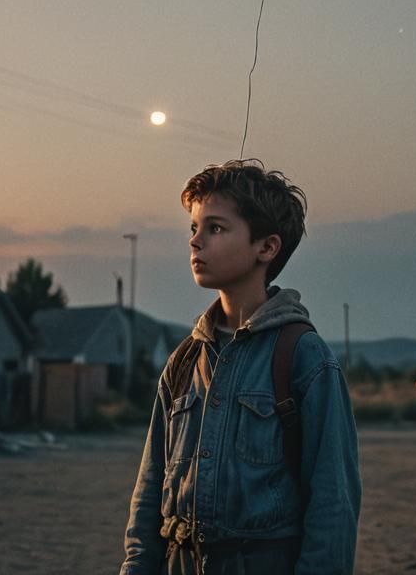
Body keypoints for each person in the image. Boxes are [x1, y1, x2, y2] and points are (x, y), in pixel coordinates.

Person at [120, 159, 361, 575]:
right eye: (194, 229)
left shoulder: (305, 358)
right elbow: (148, 497)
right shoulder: (184, 362)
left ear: (266, 248)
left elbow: (333, 506)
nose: (196, 242)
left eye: (215, 228)